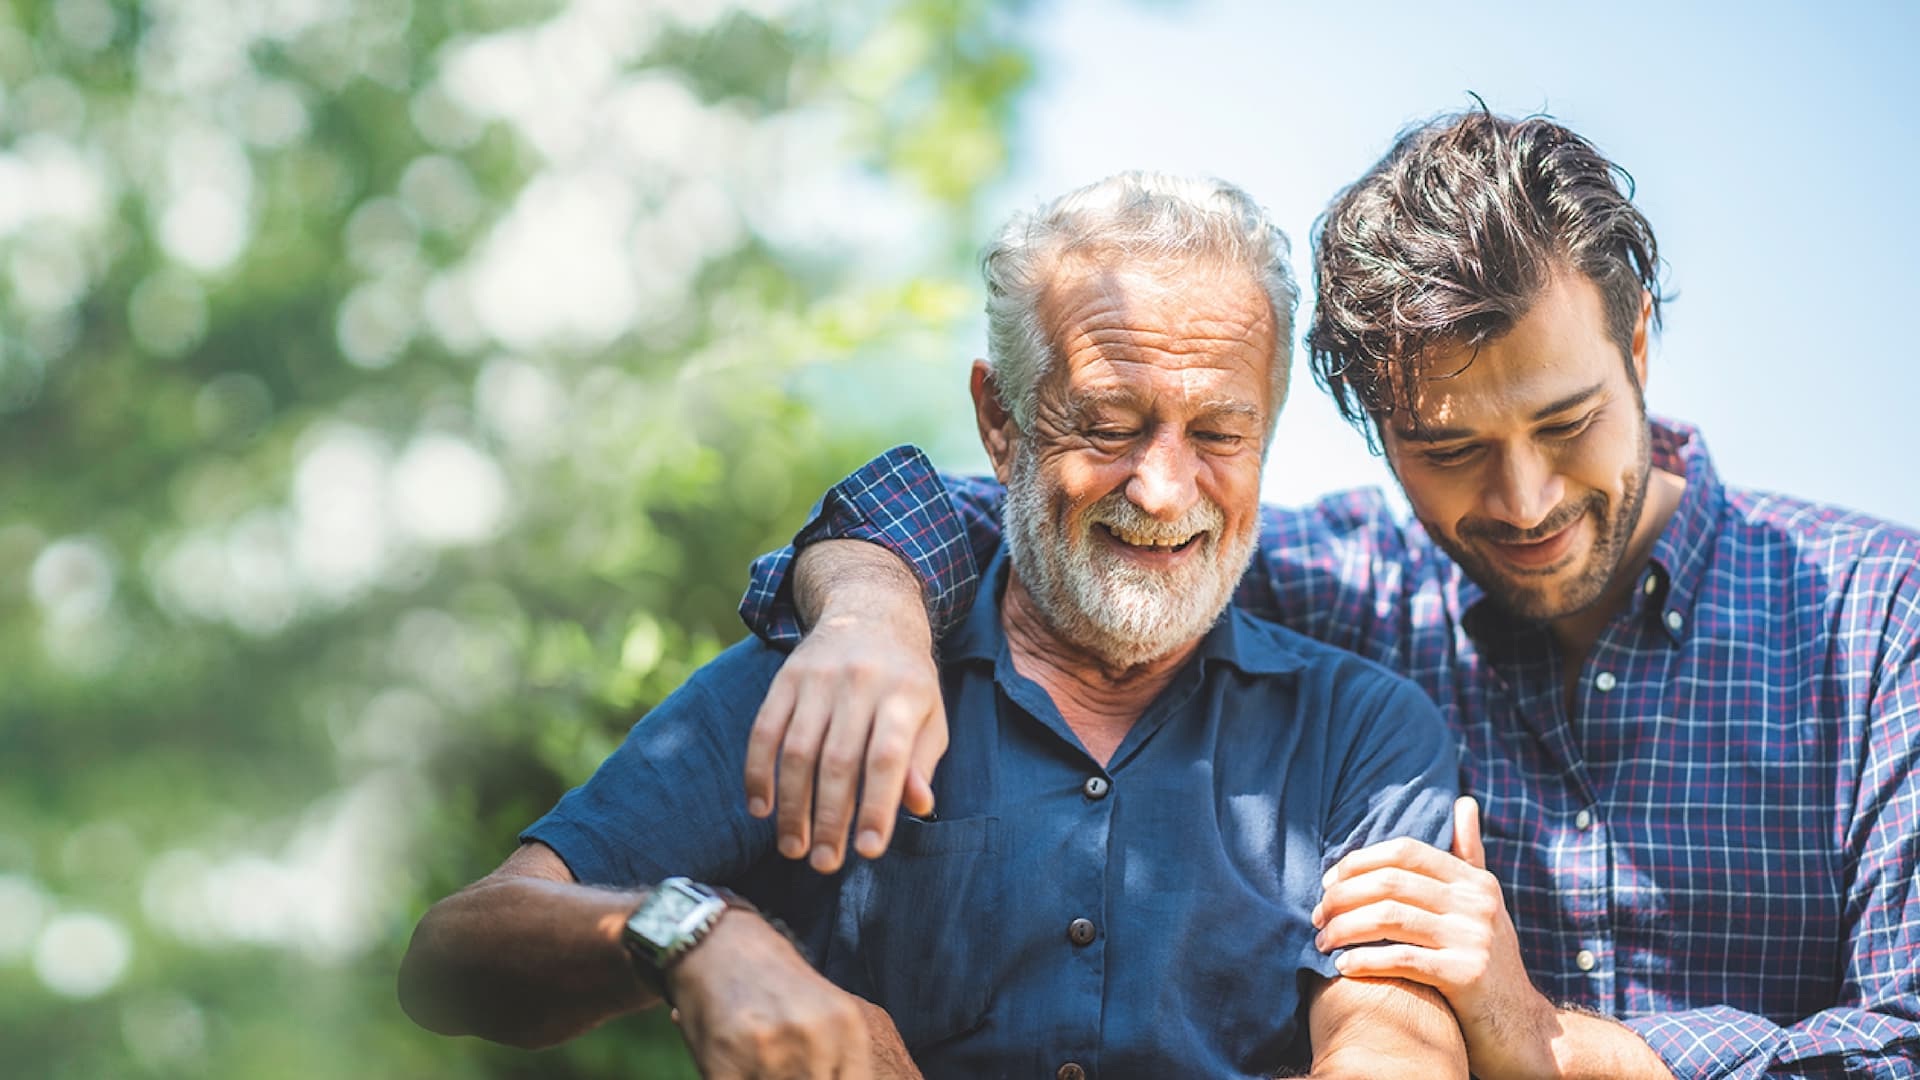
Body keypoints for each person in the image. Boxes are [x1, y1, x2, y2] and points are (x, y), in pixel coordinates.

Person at [736, 110, 1920, 1080]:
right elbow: (1035, 513)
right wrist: (873, 611)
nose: (1523, 501)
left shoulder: (1880, 622)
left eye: (1567, 424)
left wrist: (1551, 1045)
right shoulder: (1340, 590)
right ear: (1371, 429)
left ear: (1640, 346)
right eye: (1449, 449)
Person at [398, 172, 1469, 1079]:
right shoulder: (831, 679)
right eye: (1106, 424)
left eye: (1222, 433)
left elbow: (1394, 1038)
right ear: (1000, 421)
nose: (1161, 488)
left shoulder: (1362, 729)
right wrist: (696, 933)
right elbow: (453, 958)